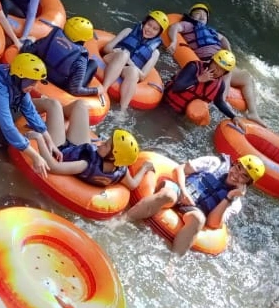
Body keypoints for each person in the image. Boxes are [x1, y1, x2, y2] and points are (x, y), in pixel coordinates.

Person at [126, 152, 265, 256]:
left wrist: (229, 197)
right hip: (180, 190)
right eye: (238, 167)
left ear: (247, 183)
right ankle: (123, 219)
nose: (236, 174)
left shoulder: (235, 202)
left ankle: (172, 260)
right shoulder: (215, 163)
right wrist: (184, 191)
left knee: (199, 219)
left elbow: (212, 223)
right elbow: (179, 169)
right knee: (167, 195)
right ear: (234, 163)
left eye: (244, 176)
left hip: (193, 209)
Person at [167, 2, 264, 125]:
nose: (202, 16)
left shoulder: (211, 31)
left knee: (246, 77)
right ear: (191, 16)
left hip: (223, 59)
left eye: (205, 15)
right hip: (210, 60)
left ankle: (253, 113)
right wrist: (174, 41)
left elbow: (224, 39)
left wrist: (229, 52)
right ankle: (222, 103)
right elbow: (174, 27)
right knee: (226, 73)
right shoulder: (189, 25)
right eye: (198, 14)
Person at [27, 99, 153, 189]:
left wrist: (39, 138)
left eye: (106, 145)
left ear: (113, 156)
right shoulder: (120, 171)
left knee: (53, 104)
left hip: (60, 150)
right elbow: (133, 185)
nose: (102, 143)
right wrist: (144, 168)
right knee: (81, 105)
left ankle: (21, 104)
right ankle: (60, 116)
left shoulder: (85, 164)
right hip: (79, 149)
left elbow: (53, 167)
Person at [99, 10, 169, 112]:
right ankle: (103, 91)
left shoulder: (155, 52)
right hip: (112, 59)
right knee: (123, 54)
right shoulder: (128, 31)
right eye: (149, 25)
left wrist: (130, 61)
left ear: (159, 33)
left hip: (126, 70)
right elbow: (106, 48)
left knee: (133, 71)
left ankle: (122, 110)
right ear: (144, 23)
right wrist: (116, 51)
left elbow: (143, 75)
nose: (150, 30)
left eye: (155, 29)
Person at [22, 16, 102, 97]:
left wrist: (28, 41)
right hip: (59, 84)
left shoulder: (52, 36)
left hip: (38, 69)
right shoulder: (80, 58)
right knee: (93, 64)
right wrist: (96, 90)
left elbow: (27, 51)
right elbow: (75, 90)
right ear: (83, 39)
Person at [164, 49, 247, 127]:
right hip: (166, 104)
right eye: (215, 65)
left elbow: (219, 102)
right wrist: (198, 79)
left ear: (225, 73)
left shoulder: (220, 85)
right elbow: (176, 87)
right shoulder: (193, 67)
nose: (216, 70)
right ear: (211, 61)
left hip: (182, 116)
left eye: (221, 69)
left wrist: (233, 116)